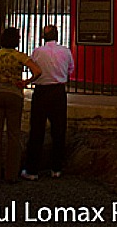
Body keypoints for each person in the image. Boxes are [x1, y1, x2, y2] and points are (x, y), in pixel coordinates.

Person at [0, 27, 42, 184]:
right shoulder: (20, 56)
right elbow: (37, 71)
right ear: (16, 40)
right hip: (14, 95)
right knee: (13, 134)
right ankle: (11, 174)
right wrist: (26, 82)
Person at [21, 24, 74, 179]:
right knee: (58, 130)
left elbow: (34, 69)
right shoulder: (66, 51)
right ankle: (56, 168)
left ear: (43, 37)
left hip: (41, 91)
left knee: (37, 130)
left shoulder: (38, 52)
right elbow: (71, 69)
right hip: (58, 91)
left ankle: (32, 170)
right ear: (57, 35)